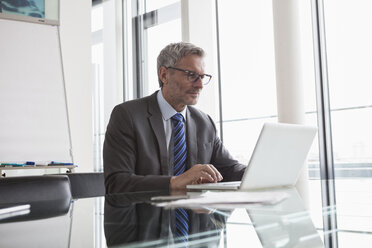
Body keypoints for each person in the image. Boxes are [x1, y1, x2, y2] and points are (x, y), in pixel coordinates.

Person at [103, 42, 245, 193]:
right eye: (191, 75)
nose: (199, 85)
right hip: (144, 214)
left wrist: (263, 171)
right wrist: (175, 182)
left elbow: (229, 169)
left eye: (202, 77)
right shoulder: (127, 115)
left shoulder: (204, 122)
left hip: (194, 214)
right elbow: (116, 182)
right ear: (164, 75)